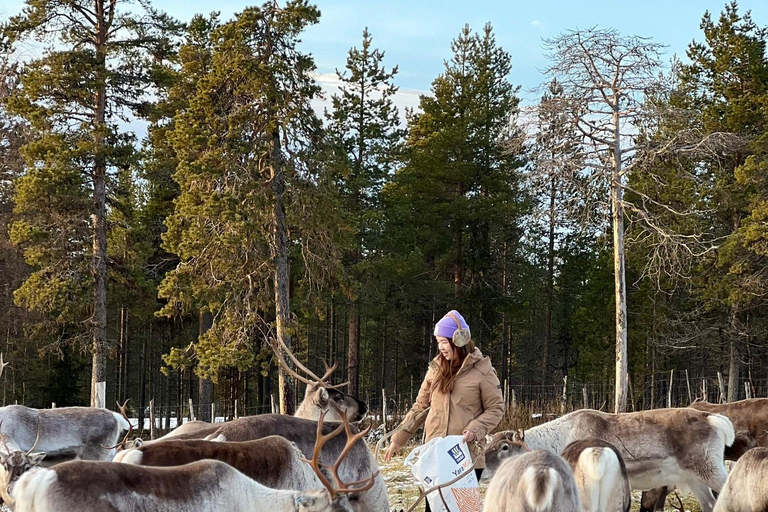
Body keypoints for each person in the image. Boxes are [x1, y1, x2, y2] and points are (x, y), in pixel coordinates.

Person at [385, 310, 504, 508]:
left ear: (459, 340)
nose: (440, 347)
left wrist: (475, 430)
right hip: (436, 457)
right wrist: (398, 439)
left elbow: (496, 408)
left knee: (463, 509)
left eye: (444, 342)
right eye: (438, 342)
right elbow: (420, 407)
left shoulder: (483, 371)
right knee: (433, 507)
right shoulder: (436, 369)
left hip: (465, 458)